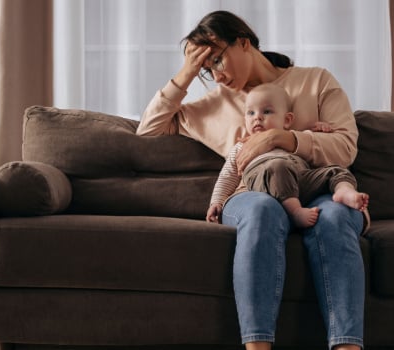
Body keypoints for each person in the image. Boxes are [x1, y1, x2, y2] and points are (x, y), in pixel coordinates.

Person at [137, 10, 367, 350]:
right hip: (253, 193)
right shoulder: (213, 105)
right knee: (262, 210)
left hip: (315, 188)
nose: (216, 75)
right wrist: (185, 75)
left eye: (217, 59)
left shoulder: (315, 81)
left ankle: (347, 345)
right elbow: (147, 130)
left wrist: (280, 139)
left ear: (244, 43)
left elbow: (345, 148)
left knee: (334, 216)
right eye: (205, 68)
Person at [206, 83, 369, 228]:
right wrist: (217, 201)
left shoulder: (293, 137)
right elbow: (227, 176)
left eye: (267, 111)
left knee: (336, 171)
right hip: (266, 182)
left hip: (299, 180)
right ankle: (295, 212)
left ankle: (344, 192)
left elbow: (313, 147)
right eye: (250, 113)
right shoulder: (242, 145)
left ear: (287, 120)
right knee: (277, 166)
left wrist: (320, 130)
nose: (257, 117)